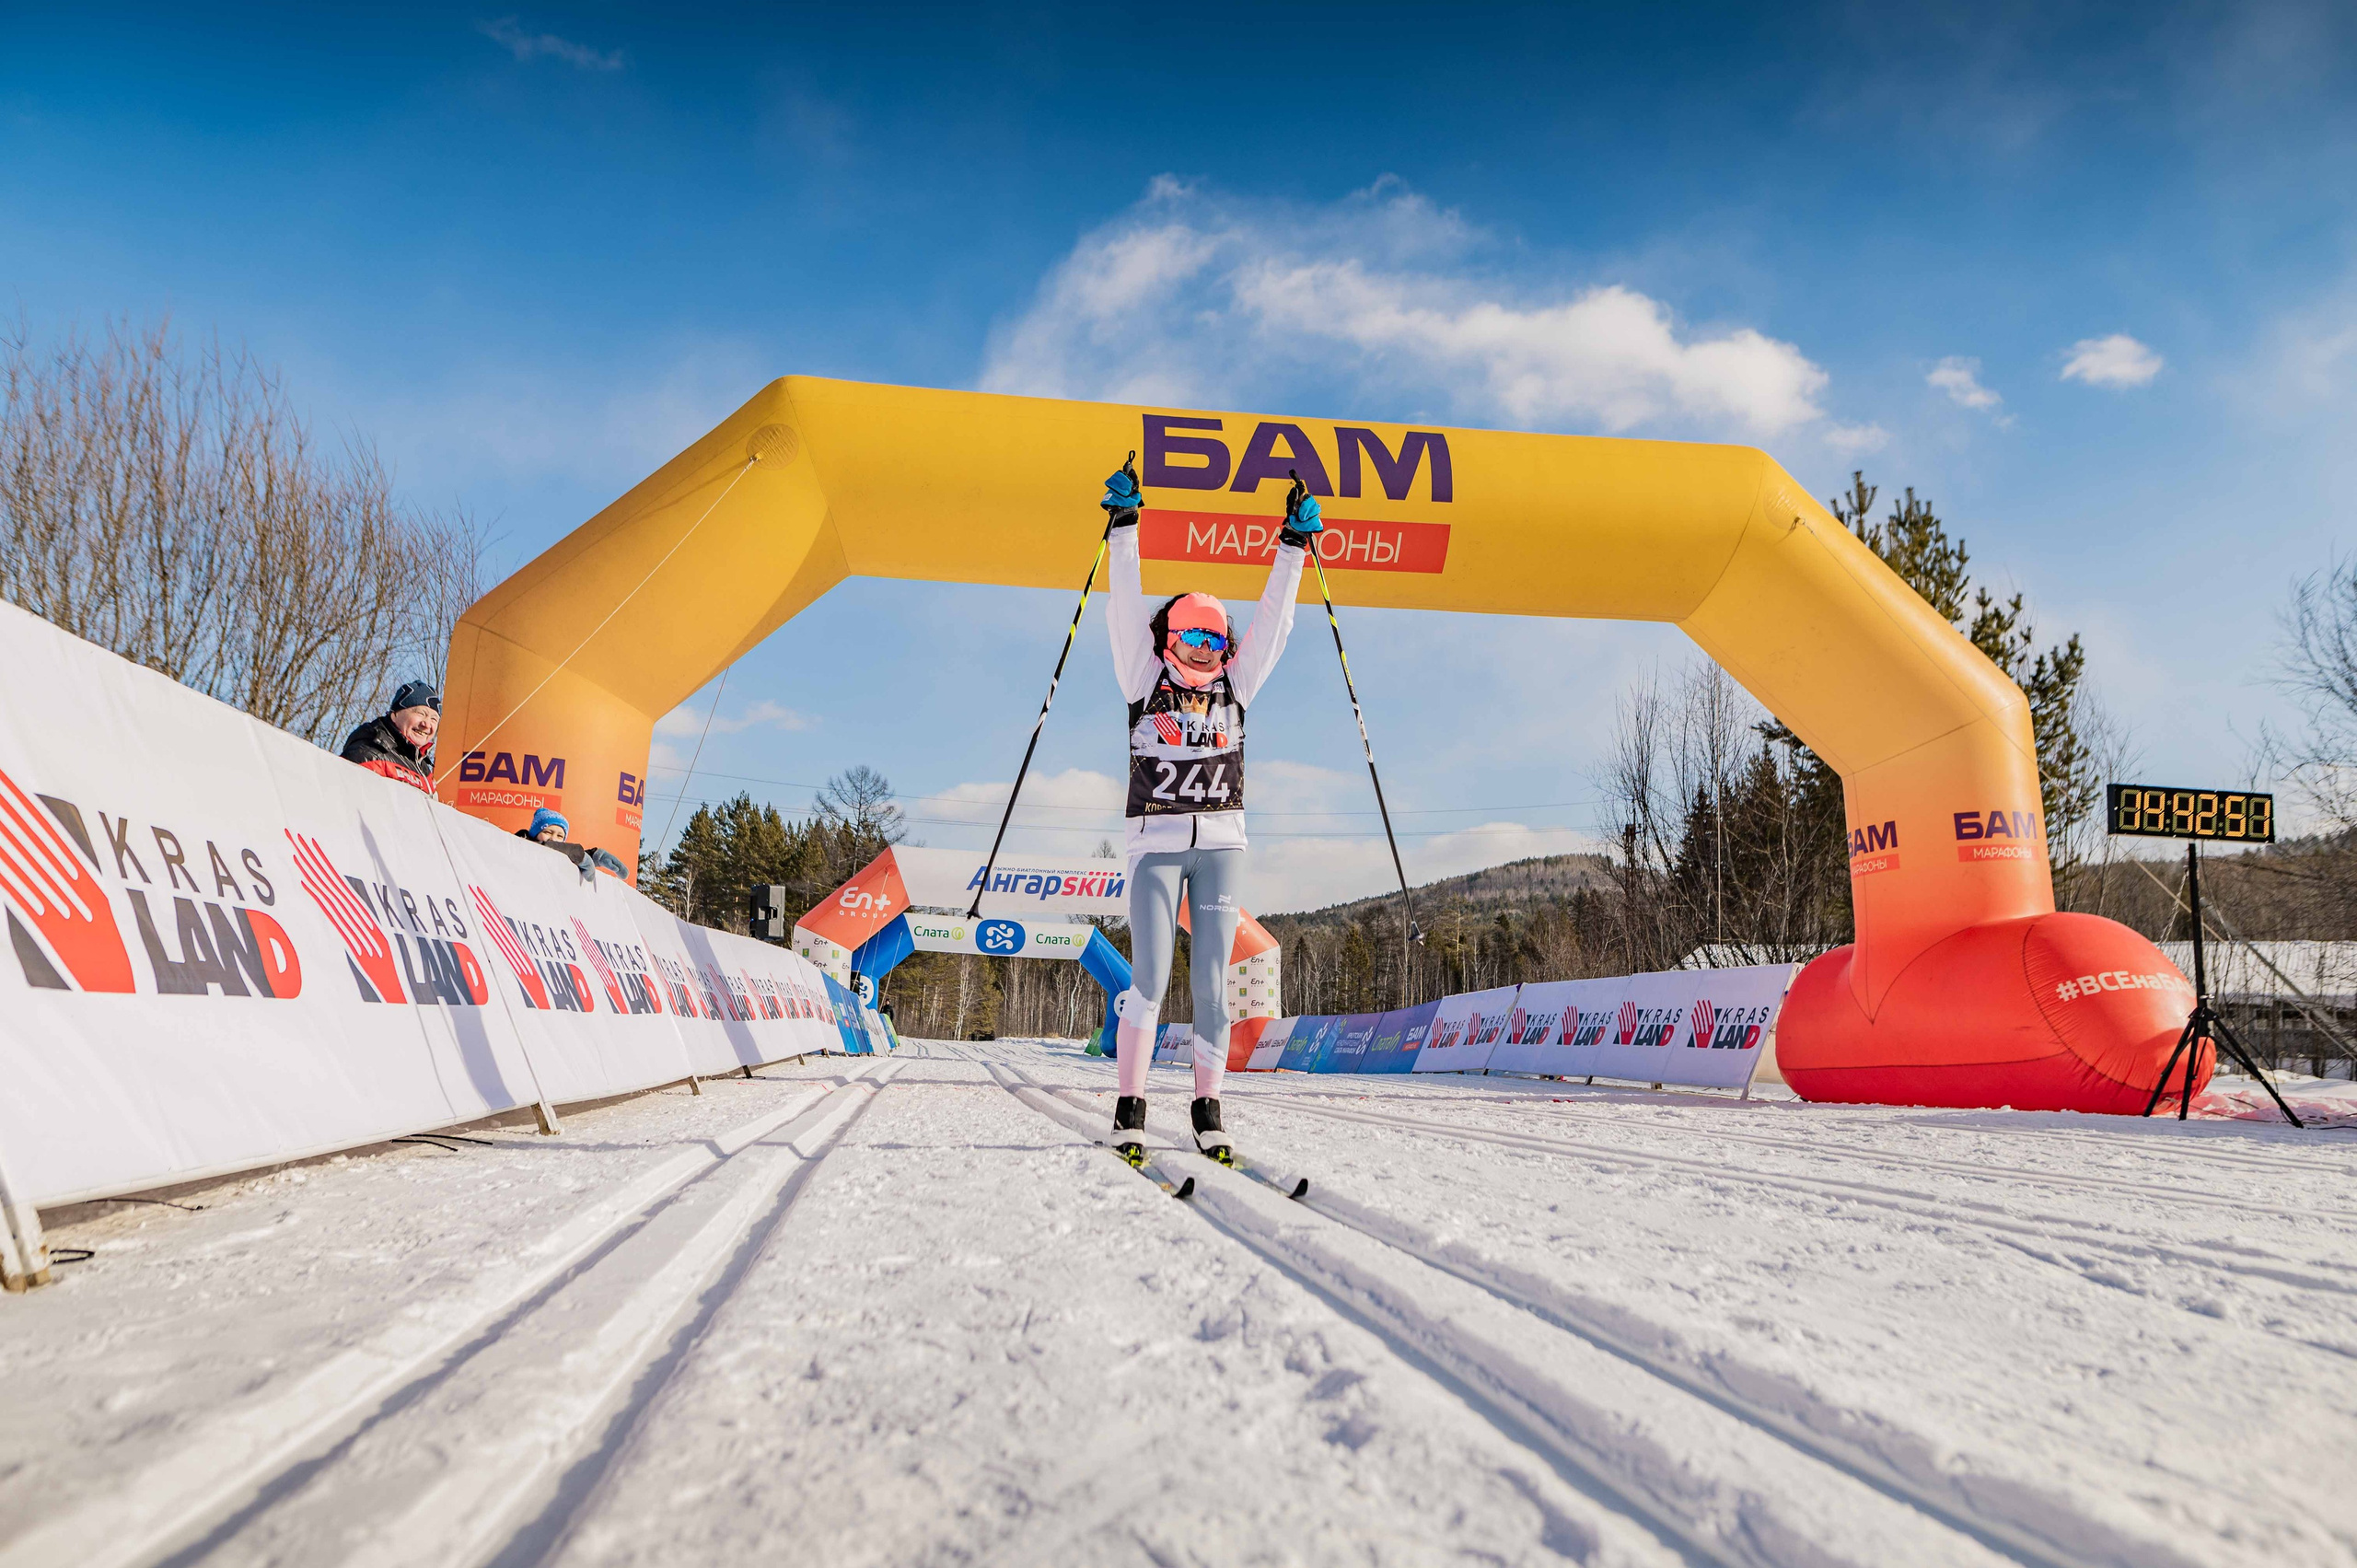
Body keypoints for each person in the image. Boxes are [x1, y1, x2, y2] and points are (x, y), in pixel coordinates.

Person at [1100, 454, 1320, 1166]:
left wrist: (1293, 545)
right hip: (1157, 843)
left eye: (1215, 639)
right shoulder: (1143, 678)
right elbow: (1123, 610)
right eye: (1192, 638)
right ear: (1170, 640)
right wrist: (1124, 528)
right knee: (1150, 977)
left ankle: (1208, 1110)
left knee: (1213, 986)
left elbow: (1275, 625)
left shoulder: (1236, 685)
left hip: (1222, 845)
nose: (1204, 652)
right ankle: (1130, 1107)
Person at [340, 680, 440, 794]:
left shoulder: (424, 769)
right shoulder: (369, 753)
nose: (427, 724)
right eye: (421, 713)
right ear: (395, 714)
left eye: (434, 719)